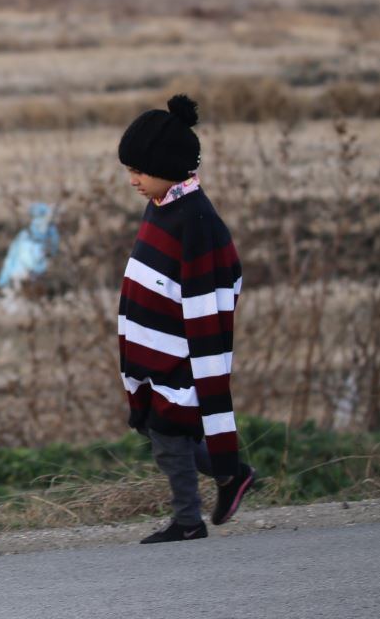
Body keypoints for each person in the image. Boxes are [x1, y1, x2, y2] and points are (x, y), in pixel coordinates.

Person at [116, 94, 256, 544]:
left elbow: (205, 305)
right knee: (164, 431)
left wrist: (200, 371)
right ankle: (230, 473)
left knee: (168, 433)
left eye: (140, 171)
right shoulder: (163, 205)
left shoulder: (195, 221)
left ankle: (188, 519)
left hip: (180, 355)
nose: (133, 180)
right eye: (130, 171)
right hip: (155, 352)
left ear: (171, 167)